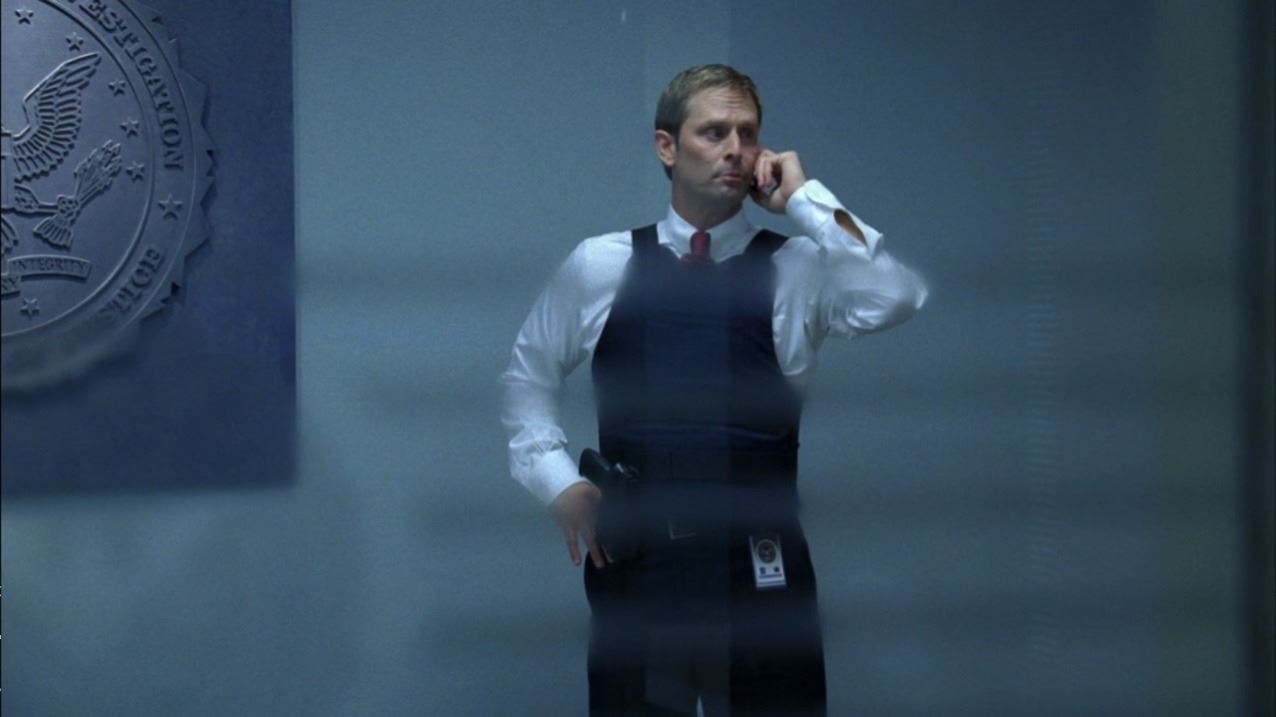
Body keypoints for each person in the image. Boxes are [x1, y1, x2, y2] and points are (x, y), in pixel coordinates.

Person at [501, 64, 927, 716]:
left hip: (759, 567)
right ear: (666, 146)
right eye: (714, 132)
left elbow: (897, 295)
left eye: (748, 133)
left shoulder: (797, 267)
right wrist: (558, 481)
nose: (735, 149)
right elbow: (526, 380)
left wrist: (805, 200)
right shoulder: (601, 263)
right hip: (640, 566)